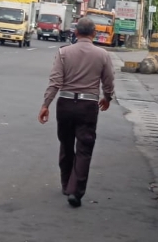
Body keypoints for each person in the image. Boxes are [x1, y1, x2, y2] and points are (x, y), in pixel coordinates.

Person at [38, 17, 115, 208]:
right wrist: (108, 97)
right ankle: (76, 191)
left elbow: (55, 81)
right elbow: (109, 81)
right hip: (88, 106)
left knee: (66, 144)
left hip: (65, 104)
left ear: (76, 33)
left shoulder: (63, 52)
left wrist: (45, 104)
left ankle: (66, 184)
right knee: (84, 149)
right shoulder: (102, 54)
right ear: (94, 34)